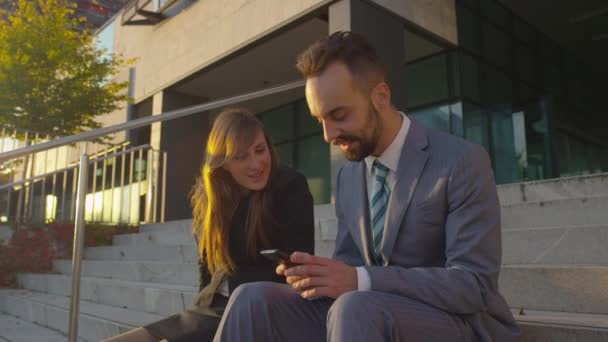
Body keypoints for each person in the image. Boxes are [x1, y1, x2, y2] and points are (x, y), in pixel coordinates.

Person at [213, 31, 521, 342]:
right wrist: (321, 276)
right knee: (250, 299)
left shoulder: (462, 161)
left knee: (355, 307)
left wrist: (361, 279)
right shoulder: (348, 176)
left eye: (339, 115)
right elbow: (350, 265)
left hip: (456, 323)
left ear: (381, 97)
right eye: (319, 120)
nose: (328, 135)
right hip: (366, 316)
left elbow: (473, 286)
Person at [103, 108, 315, 342]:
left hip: (259, 305)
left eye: (259, 150)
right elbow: (206, 263)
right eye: (240, 157)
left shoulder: (289, 186)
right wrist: (202, 301)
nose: (256, 164)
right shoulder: (211, 198)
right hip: (212, 306)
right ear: (223, 162)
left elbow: (298, 267)